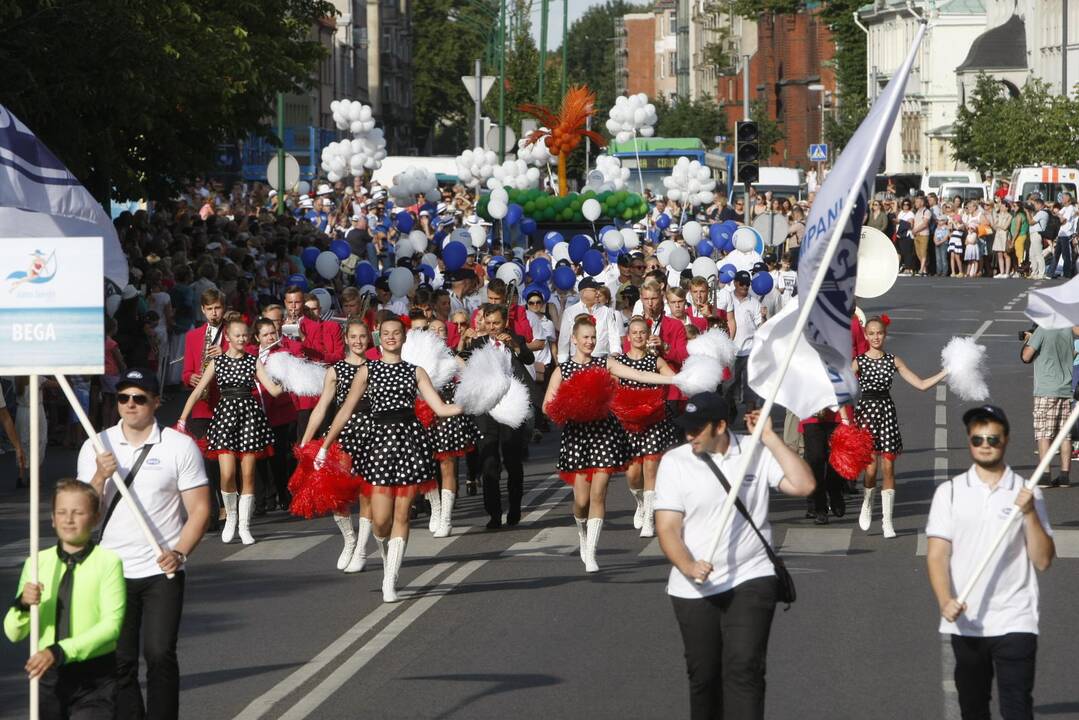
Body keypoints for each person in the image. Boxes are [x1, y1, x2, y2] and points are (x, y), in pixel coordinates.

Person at [655, 392, 815, 720]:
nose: (689, 435)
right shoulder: (675, 462)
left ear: (721, 426)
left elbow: (804, 485)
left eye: (698, 429)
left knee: (745, 668)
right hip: (694, 586)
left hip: (751, 575)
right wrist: (688, 565)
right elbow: (668, 528)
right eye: (687, 428)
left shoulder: (753, 452)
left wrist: (771, 439)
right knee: (704, 676)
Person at [77, 368, 211, 720]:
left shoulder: (178, 446)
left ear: (156, 402)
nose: (130, 405)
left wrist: (180, 551)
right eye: (123, 398)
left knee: (159, 653)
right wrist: (99, 476)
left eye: (139, 398)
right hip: (111, 571)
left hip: (161, 570)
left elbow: (199, 510)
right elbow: (82, 517)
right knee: (119, 662)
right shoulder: (96, 446)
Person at [318, 316, 463, 602]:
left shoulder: (416, 371)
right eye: (386, 333)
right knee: (380, 521)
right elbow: (345, 410)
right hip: (378, 446)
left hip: (409, 445)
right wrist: (325, 445)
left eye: (397, 333)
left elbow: (440, 408)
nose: (391, 337)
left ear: (404, 338)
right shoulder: (367, 371)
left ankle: (390, 579)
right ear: (379, 337)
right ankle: (386, 557)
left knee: (402, 514)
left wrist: (476, 402)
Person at [926, 405, 1055, 720]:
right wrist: (945, 601)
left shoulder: (1029, 493)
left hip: (1016, 617)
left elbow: (1043, 560)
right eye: (978, 439)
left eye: (993, 439)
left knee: (1017, 707)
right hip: (967, 621)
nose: (985, 445)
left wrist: (1028, 513)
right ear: (970, 441)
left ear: (1006, 440)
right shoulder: (950, 493)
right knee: (973, 707)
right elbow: (937, 554)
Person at [543, 315, 677, 572]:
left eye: (593, 337)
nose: (590, 342)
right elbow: (547, 406)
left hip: (604, 434)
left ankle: (592, 552)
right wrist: (567, 408)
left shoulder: (605, 364)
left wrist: (675, 380)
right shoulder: (563, 370)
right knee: (581, 501)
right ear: (574, 339)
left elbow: (638, 374)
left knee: (599, 492)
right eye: (585, 337)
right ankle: (582, 534)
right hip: (577, 437)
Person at [4, 480, 126, 720]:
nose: (69, 519)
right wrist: (22, 605)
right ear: (52, 519)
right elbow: (13, 633)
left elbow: (112, 626)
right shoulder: (37, 564)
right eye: (61, 512)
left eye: (78, 512)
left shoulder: (108, 562)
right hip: (48, 678)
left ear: (95, 518)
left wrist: (60, 651)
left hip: (95, 678)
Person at [178, 313, 284, 545]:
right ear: (227, 337)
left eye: (245, 335)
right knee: (226, 474)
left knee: (247, 474)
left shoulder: (252, 360)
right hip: (225, 417)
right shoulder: (218, 362)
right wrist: (183, 419)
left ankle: (245, 526)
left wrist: (291, 378)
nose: (242, 339)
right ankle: (231, 518)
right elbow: (197, 391)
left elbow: (273, 390)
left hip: (249, 418)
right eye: (237, 335)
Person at [855, 317, 947, 538]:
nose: (876, 337)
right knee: (870, 469)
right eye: (872, 333)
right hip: (866, 414)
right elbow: (840, 388)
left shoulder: (893, 360)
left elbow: (922, 384)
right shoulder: (858, 361)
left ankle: (888, 521)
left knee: (888, 468)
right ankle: (867, 503)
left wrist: (947, 371)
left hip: (886, 413)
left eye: (880, 333)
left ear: (885, 335)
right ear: (866, 336)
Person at [301, 318, 375, 570]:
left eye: (362, 337)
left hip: (372, 435)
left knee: (367, 494)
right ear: (345, 338)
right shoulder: (335, 371)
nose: (358, 341)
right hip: (342, 435)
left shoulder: (376, 368)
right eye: (353, 336)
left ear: (369, 339)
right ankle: (349, 540)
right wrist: (305, 440)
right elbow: (322, 408)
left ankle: (363, 550)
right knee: (338, 495)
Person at [465, 304, 534, 529]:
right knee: (489, 462)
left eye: (496, 323)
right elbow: (462, 363)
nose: (492, 328)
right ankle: (493, 513)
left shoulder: (515, 340)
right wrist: (463, 342)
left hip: (510, 407)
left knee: (513, 461)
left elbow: (528, 358)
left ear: (504, 322)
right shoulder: (478, 344)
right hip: (486, 409)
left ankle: (514, 507)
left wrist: (513, 345)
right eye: (489, 323)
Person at [615, 317, 680, 537]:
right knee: (633, 473)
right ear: (628, 336)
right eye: (634, 332)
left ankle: (650, 519)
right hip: (629, 424)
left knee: (651, 467)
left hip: (654, 420)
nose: (639, 336)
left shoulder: (656, 360)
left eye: (643, 332)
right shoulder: (619, 362)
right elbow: (611, 391)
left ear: (648, 334)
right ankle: (641, 503)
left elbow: (673, 378)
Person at [181, 288, 227, 526]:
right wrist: (191, 378)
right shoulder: (193, 336)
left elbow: (249, 356)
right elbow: (186, 371)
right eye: (209, 309)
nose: (213, 313)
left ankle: (228, 506)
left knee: (225, 460)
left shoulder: (230, 334)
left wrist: (225, 352)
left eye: (217, 308)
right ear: (202, 310)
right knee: (205, 460)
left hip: (226, 403)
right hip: (201, 405)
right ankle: (210, 511)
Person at [1021, 325, 1075, 488]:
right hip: (1065, 389)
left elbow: (1026, 357)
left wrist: (1029, 340)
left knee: (1043, 432)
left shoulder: (1042, 330)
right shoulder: (1067, 330)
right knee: (1064, 434)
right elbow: (1072, 355)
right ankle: (1065, 475)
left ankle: (1045, 474)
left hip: (1046, 389)